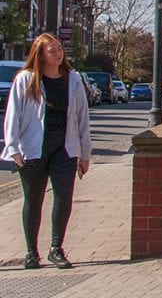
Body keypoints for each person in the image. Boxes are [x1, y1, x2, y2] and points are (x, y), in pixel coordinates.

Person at [2, 33, 92, 270]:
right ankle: (32, 253)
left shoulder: (72, 79)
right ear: (40, 55)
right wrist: (13, 148)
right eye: (52, 50)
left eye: (60, 49)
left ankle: (56, 248)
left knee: (63, 198)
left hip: (65, 147)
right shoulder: (26, 79)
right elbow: (14, 116)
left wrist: (84, 154)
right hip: (32, 149)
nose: (59, 53)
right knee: (33, 200)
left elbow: (82, 118)